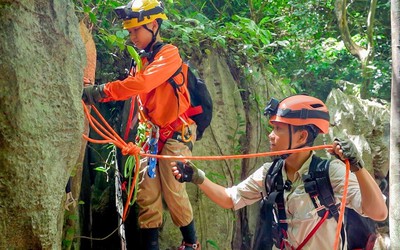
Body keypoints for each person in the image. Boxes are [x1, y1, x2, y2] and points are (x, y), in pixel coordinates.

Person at [171, 94, 387, 249]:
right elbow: (231, 199)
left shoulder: (330, 173)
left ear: (302, 137)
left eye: (279, 129)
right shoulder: (270, 174)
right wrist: (197, 177)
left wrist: (357, 168)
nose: (271, 136)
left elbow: (378, 213)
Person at [82, 0, 200, 249]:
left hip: (177, 132)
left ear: (154, 25)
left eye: (137, 29)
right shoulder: (142, 60)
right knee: (147, 198)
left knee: (174, 192)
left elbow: (143, 84)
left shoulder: (169, 54)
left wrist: (102, 91)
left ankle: (191, 244)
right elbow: (138, 97)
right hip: (153, 135)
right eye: (130, 30)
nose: (132, 35)